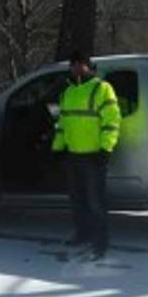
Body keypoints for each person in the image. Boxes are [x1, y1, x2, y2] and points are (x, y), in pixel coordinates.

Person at [51, 50, 121, 260]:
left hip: (93, 157)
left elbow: (112, 121)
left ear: (89, 66)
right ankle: (83, 234)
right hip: (73, 156)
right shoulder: (67, 92)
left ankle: (101, 241)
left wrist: (105, 149)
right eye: (73, 64)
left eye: (81, 64)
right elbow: (63, 124)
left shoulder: (102, 88)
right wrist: (57, 148)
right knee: (77, 200)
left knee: (95, 202)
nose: (77, 68)